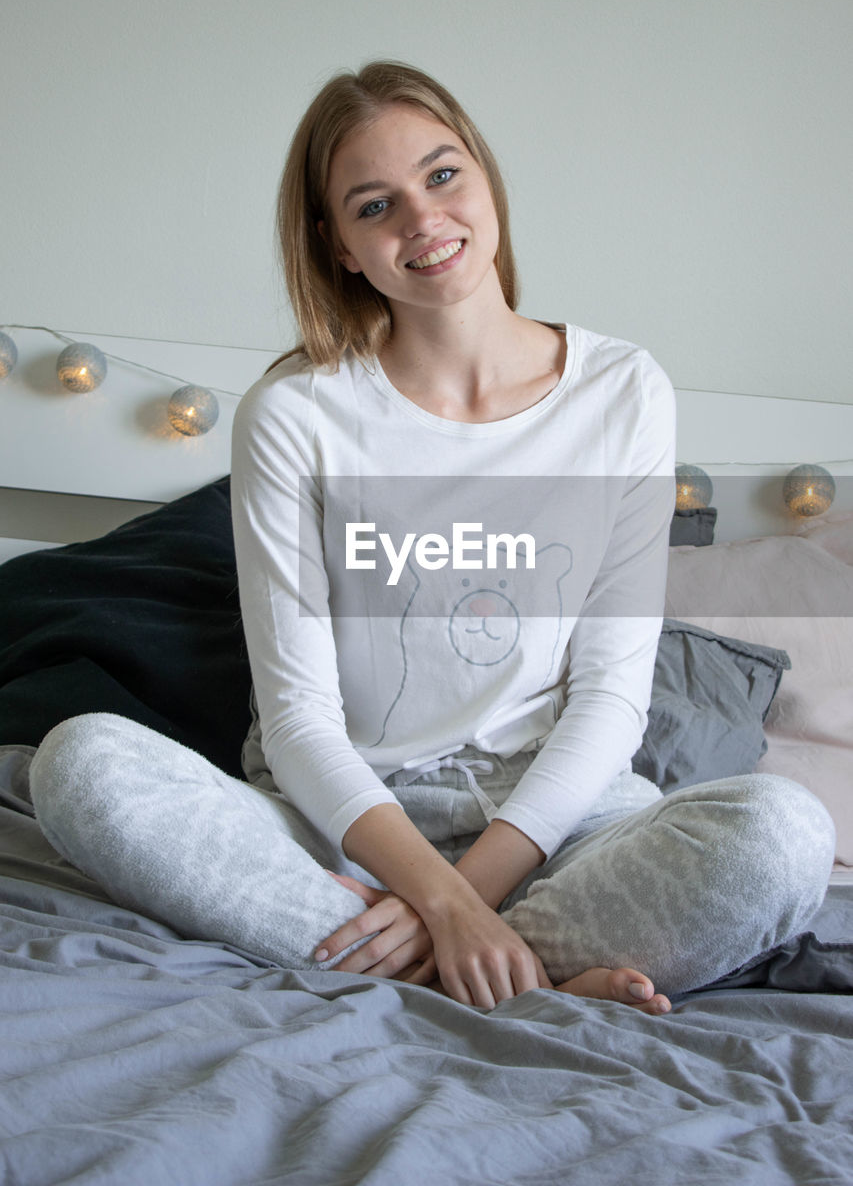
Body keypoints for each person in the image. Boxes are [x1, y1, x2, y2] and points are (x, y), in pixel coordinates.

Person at [29, 61, 835, 1015]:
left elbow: (613, 696)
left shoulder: (623, 390)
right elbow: (295, 722)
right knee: (78, 763)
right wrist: (434, 893)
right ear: (337, 245)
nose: (421, 220)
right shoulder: (298, 412)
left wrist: (461, 900)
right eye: (375, 205)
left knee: (784, 832)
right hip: (343, 825)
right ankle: (534, 983)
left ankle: (428, 958)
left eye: (442, 176)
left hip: (556, 823)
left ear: (485, 178)